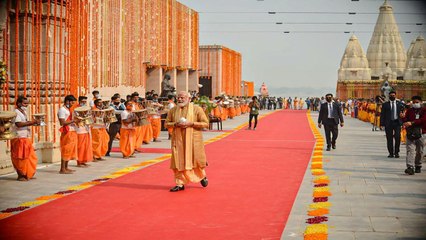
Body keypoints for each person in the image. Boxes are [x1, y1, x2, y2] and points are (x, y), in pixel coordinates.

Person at [165, 91, 209, 192]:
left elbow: (205, 123)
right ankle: (180, 183)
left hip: (194, 141)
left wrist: (191, 123)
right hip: (178, 141)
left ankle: (201, 176)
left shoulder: (197, 109)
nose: (180, 99)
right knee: (177, 161)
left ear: (189, 99)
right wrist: (175, 124)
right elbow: (166, 124)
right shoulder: (173, 110)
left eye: (182, 98)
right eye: (178, 97)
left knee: (196, 161)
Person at [10, 96, 40, 181]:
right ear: (19, 103)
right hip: (19, 137)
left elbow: (25, 123)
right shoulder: (16, 112)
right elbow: (18, 124)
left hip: (25, 137)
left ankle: (28, 173)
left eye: (27, 103)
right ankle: (20, 175)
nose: (26, 105)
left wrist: (33, 123)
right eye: (24, 103)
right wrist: (32, 122)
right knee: (20, 157)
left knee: (30, 156)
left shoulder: (23, 112)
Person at [401, 96, 425, 175]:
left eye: (417, 102)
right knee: (410, 150)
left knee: (419, 151)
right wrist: (403, 119)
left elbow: (423, 120)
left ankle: (418, 165)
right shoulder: (409, 111)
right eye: (413, 102)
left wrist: (412, 122)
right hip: (410, 133)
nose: (415, 104)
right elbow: (406, 120)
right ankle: (410, 167)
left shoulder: (424, 110)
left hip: (421, 133)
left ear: (421, 102)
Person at [58, 95, 78, 174]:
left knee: (69, 150)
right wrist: (73, 120)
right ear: (67, 101)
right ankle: (62, 169)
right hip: (67, 132)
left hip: (71, 130)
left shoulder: (68, 109)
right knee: (66, 150)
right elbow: (62, 122)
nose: (72, 104)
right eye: (72, 102)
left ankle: (66, 167)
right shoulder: (62, 110)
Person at [380, 91, 403, 158]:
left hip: (397, 122)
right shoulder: (385, 104)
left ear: (395, 96)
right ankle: (390, 153)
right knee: (389, 138)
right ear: (389, 96)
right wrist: (382, 124)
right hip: (388, 123)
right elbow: (382, 115)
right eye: (391, 95)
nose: (392, 96)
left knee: (397, 137)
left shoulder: (400, 104)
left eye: (393, 95)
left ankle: (396, 152)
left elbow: (403, 112)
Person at [75, 96, 93, 167]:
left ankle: (83, 160)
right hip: (79, 130)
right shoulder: (76, 110)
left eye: (85, 102)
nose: (84, 103)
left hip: (86, 129)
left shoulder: (87, 109)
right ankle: (79, 161)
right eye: (82, 101)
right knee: (81, 147)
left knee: (86, 146)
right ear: (79, 101)